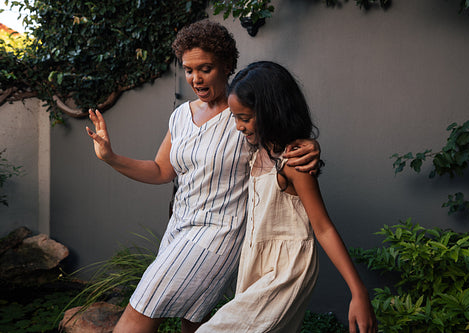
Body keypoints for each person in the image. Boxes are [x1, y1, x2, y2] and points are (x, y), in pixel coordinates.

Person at [85, 20, 320, 333]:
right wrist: (110, 157)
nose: (195, 78)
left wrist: (309, 144)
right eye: (188, 69)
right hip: (178, 229)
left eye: (205, 68)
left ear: (226, 66)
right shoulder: (181, 115)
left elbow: (281, 140)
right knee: (193, 323)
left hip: (218, 234)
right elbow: (161, 171)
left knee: (137, 314)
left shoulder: (244, 116)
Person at [197, 61, 377, 333]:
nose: (237, 126)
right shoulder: (256, 152)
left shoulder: (292, 163)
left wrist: (358, 292)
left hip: (286, 270)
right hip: (256, 262)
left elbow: (323, 227)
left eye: (244, 118)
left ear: (271, 112)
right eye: (235, 117)